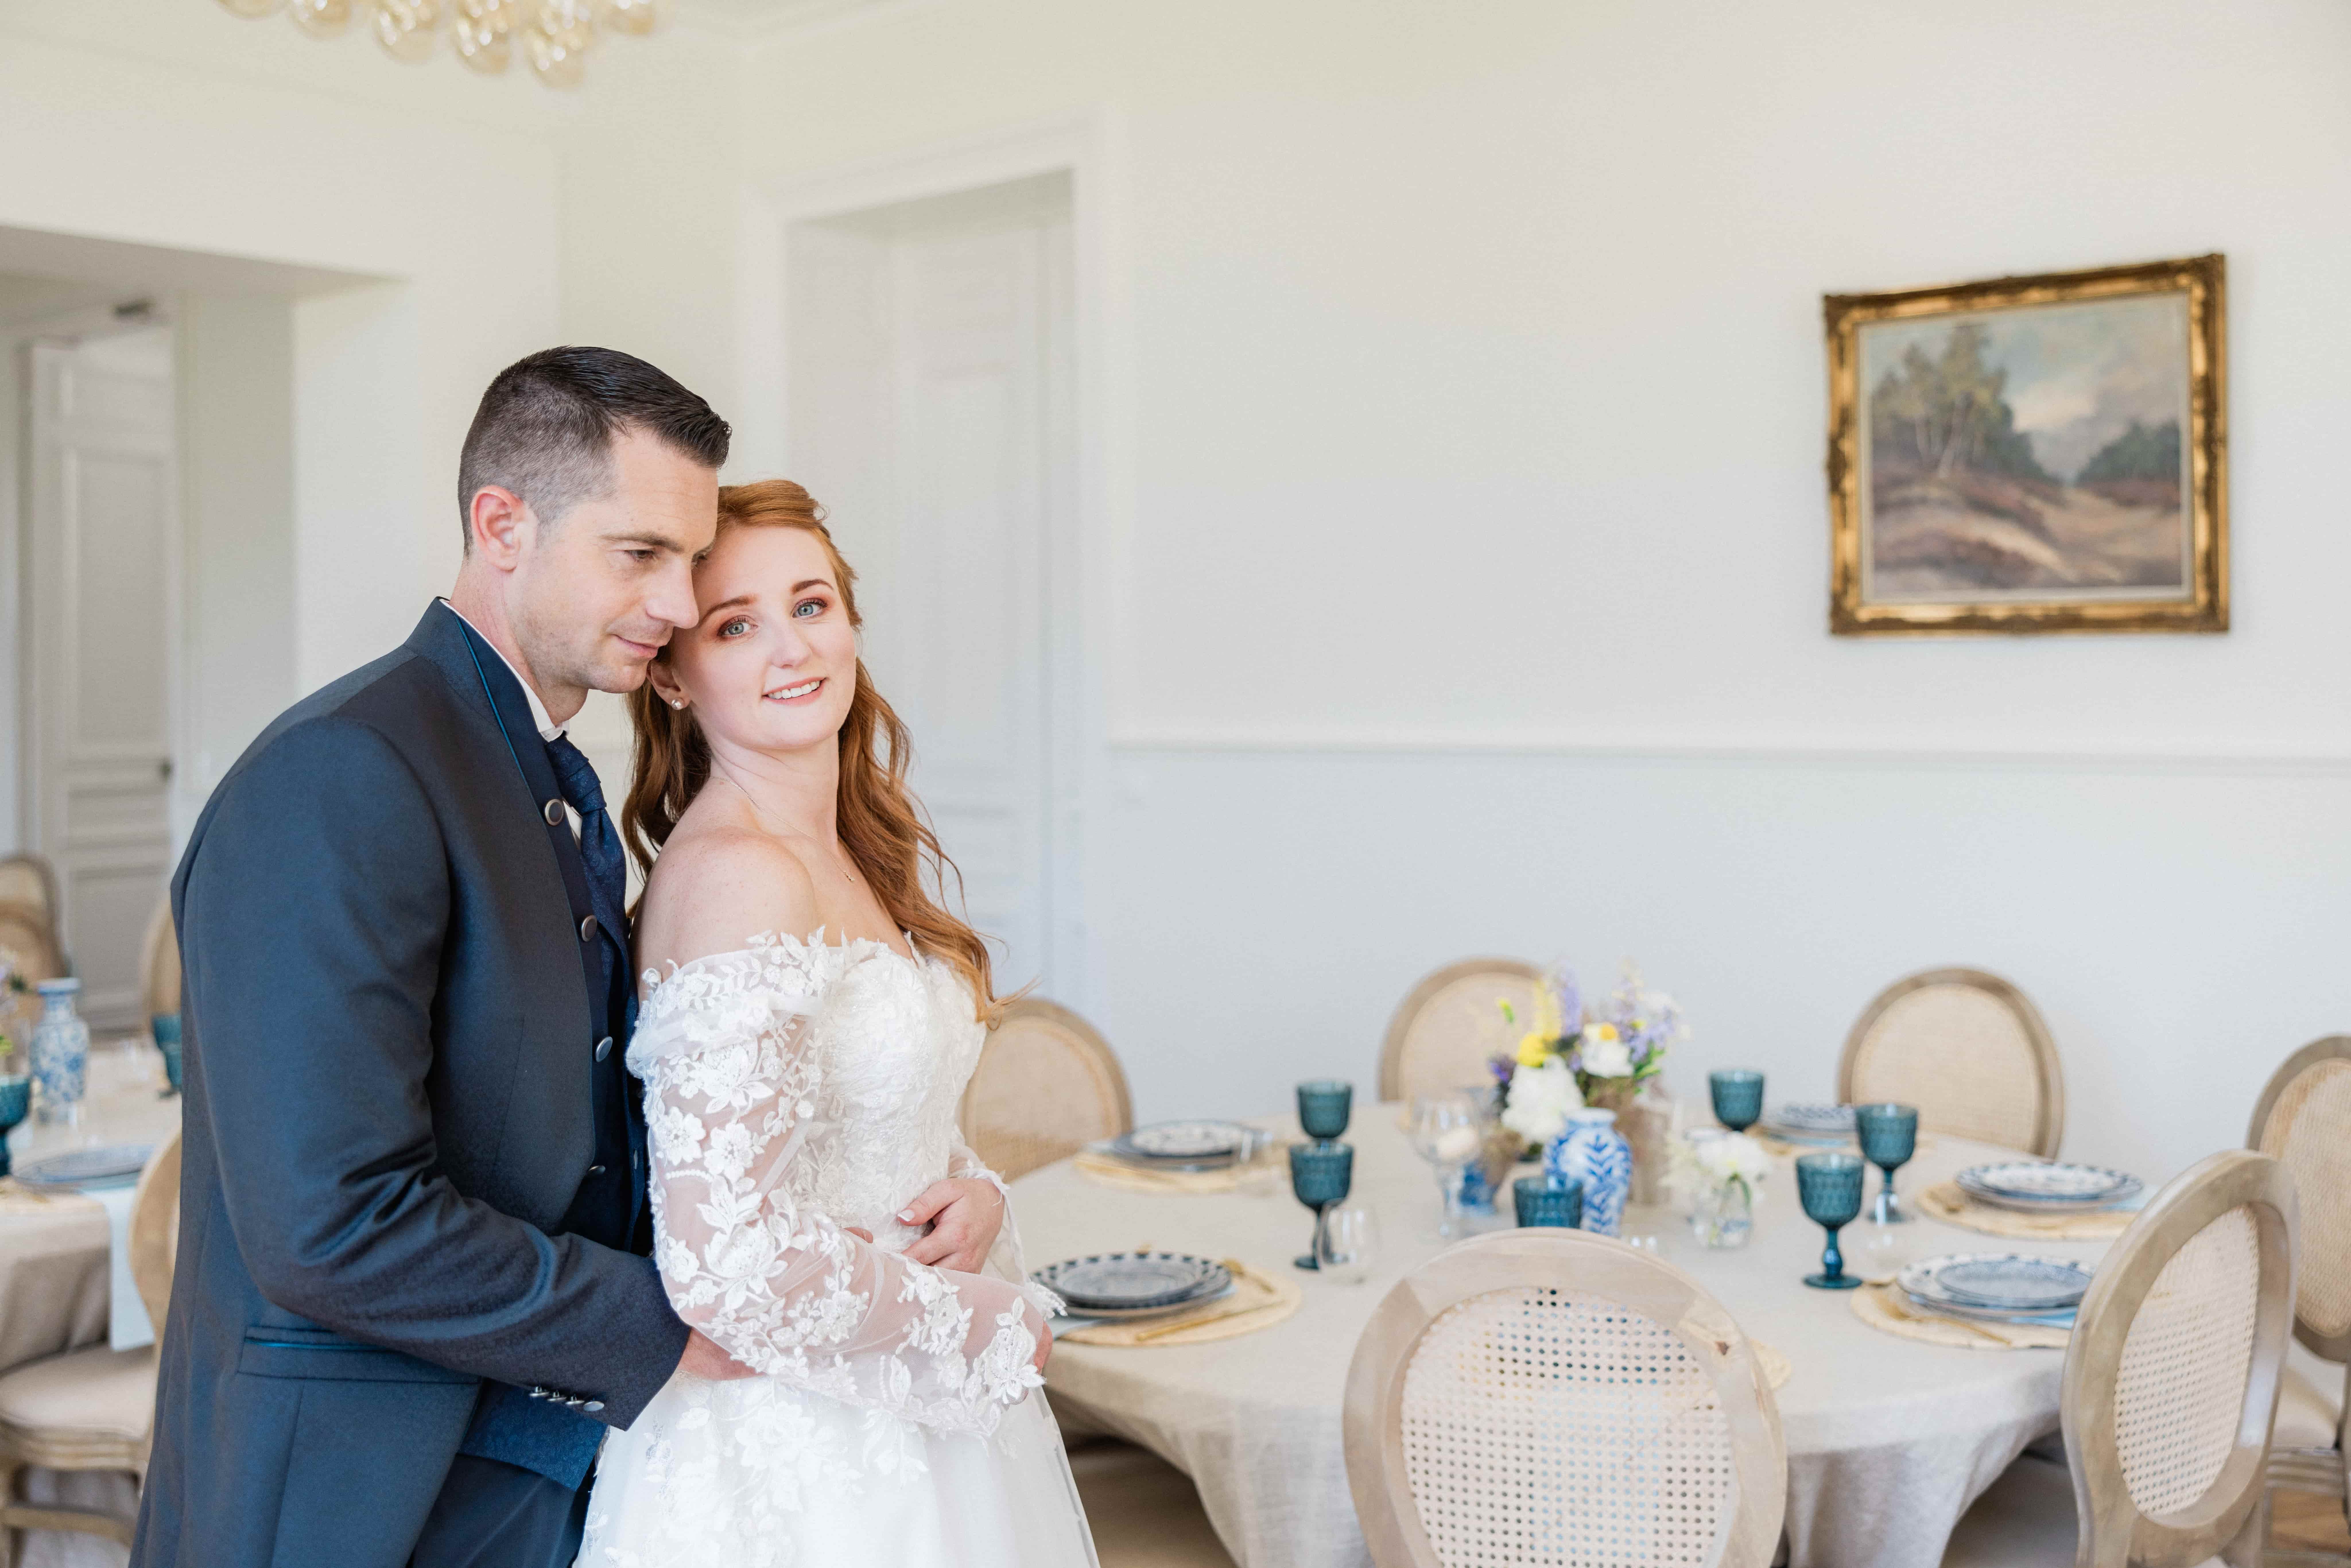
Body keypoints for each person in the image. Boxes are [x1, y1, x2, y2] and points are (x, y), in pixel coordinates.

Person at [134, 347, 756, 1568]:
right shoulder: (340, 770)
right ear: (502, 525)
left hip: (530, 1463)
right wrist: (653, 1323)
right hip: (352, 1492)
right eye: (641, 554)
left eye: (691, 560)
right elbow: (331, 1222)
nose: (681, 604)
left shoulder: (532, 762)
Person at [575, 479, 1096, 1565]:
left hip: (908, 1404)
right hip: (801, 1454)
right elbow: (720, 1261)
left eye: (810, 606)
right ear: (672, 674)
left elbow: (873, 1121)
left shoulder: (847, 848)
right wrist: (988, 1324)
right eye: (736, 626)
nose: (792, 648)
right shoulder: (737, 876)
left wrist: (973, 1196)